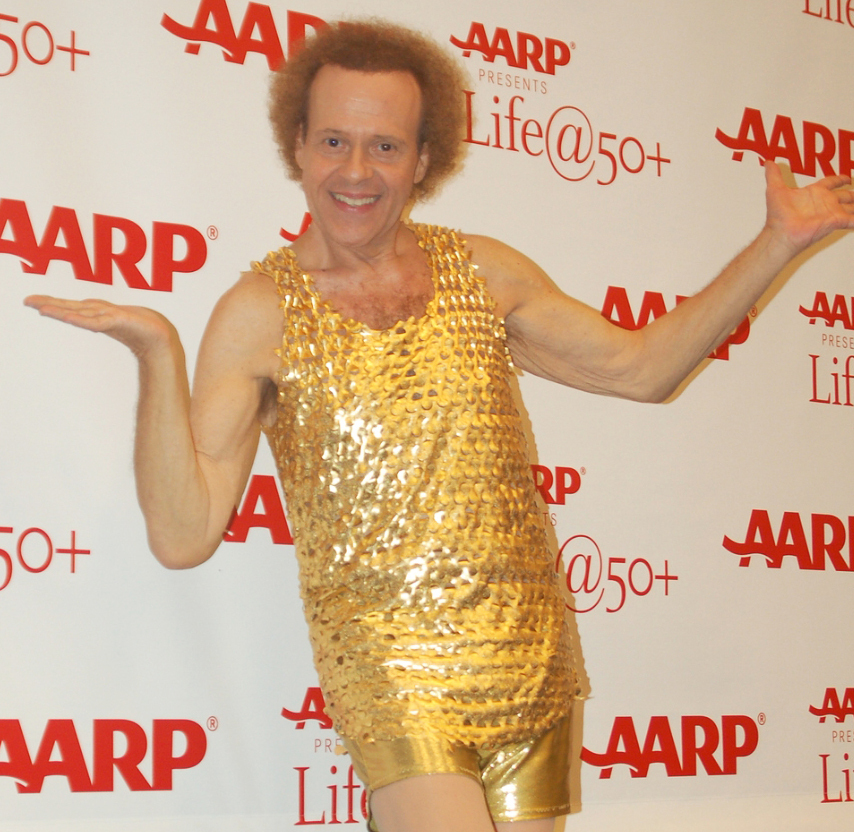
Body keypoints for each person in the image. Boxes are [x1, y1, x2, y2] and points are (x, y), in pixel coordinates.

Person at [24, 19, 854, 832]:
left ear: (423, 159)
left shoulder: (484, 271)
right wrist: (158, 353)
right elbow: (184, 534)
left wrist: (777, 243)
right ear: (298, 146)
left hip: (528, 655)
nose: (356, 170)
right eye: (334, 142)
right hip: (391, 668)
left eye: (384, 146)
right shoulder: (259, 312)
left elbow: (643, 369)